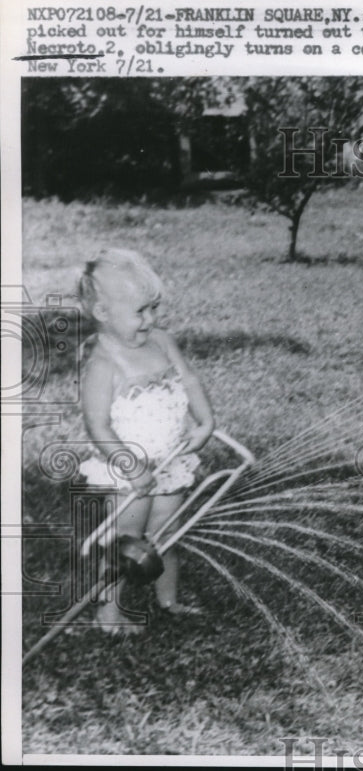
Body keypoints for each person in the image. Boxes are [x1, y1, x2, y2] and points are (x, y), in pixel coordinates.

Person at [76, 248, 214, 633]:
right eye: (141, 311)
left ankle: (168, 599)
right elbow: (98, 425)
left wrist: (204, 421)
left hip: (169, 461)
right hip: (126, 472)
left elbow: (189, 380)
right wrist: (131, 467)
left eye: (154, 308)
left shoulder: (162, 341)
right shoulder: (103, 364)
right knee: (126, 542)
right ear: (104, 313)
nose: (150, 320)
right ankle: (108, 611)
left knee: (169, 532)